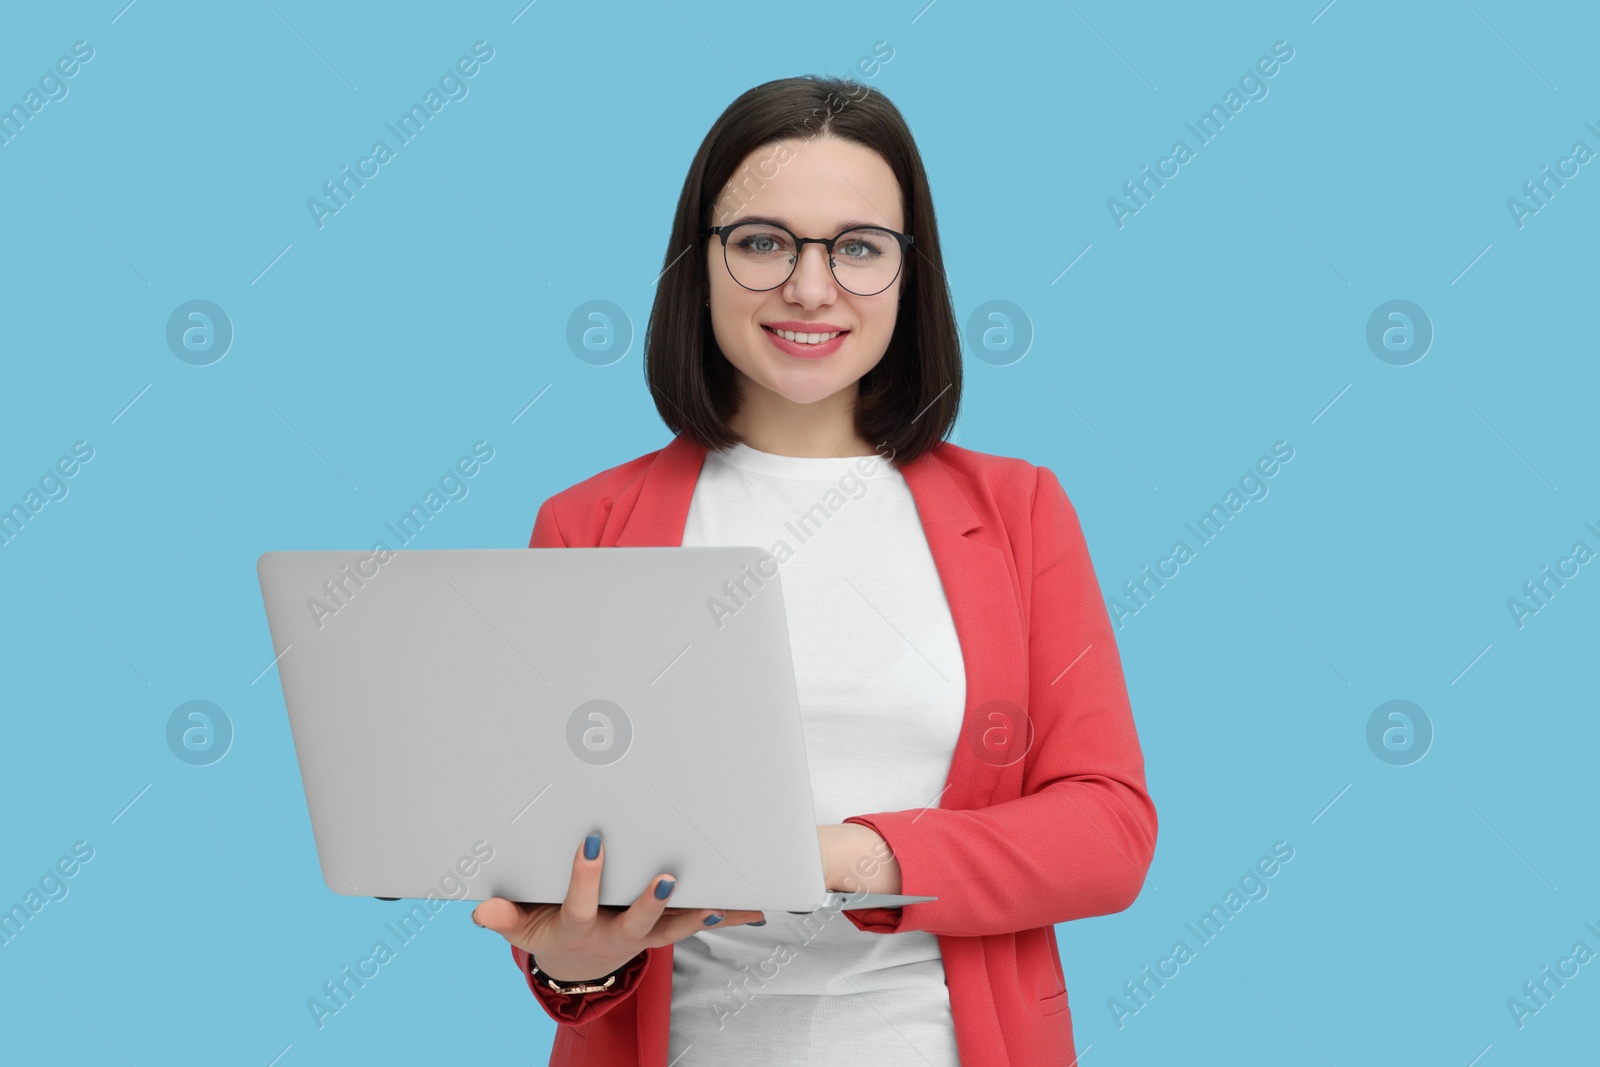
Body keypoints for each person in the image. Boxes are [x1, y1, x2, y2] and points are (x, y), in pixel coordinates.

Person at [472, 73, 1157, 1066]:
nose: (808, 286)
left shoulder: (1019, 512)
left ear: (907, 274)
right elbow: (562, 872)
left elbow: (1106, 828)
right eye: (761, 242)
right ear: (697, 264)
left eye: (858, 248)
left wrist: (839, 854)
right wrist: (579, 958)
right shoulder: (588, 523)